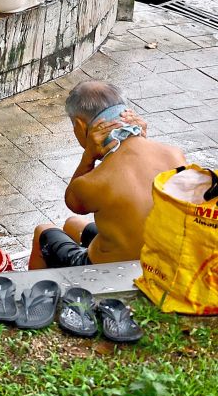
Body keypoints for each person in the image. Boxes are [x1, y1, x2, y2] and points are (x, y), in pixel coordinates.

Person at [30, 81, 184, 269]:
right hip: (163, 264)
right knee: (73, 224)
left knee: (42, 232)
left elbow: (73, 201)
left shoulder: (93, 182)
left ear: (79, 125)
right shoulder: (175, 155)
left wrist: (88, 157)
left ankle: (37, 295)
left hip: (115, 272)